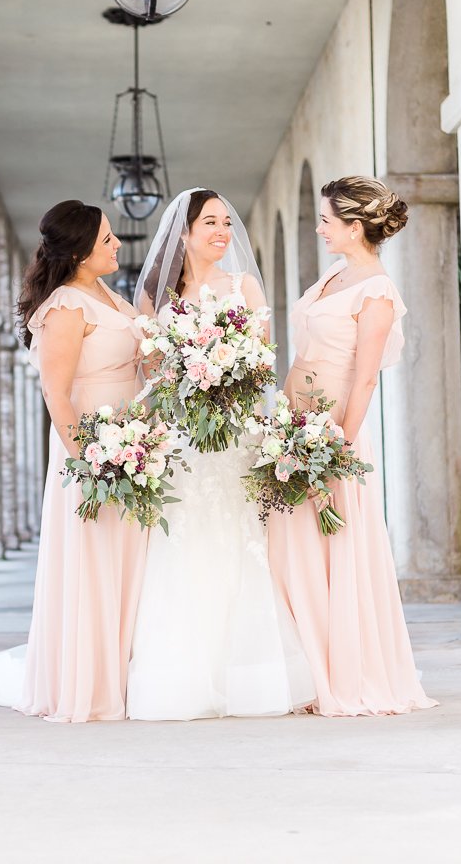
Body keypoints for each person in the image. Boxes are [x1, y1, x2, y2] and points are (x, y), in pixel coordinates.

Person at [0, 200, 148, 722]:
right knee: (94, 555)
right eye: (106, 239)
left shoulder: (110, 298)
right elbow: (56, 393)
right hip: (92, 449)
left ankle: (127, 670)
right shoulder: (66, 308)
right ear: (78, 251)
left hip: (136, 443)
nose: (118, 244)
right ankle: (88, 679)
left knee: (133, 557)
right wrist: (90, 463)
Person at [125, 188, 315, 720]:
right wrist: (187, 377)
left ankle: (250, 674)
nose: (221, 232)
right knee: (184, 539)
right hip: (183, 438)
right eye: (210, 222)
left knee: (239, 539)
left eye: (226, 223)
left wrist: (228, 383)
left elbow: (262, 363)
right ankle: (182, 674)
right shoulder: (155, 300)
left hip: (234, 435)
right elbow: (151, 371)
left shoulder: (243, 286)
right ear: (182, 232)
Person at [267, 175, 437, 716]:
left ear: (355, 226)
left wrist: (334, 443)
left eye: (326, 221)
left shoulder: (378, 291)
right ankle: (300, 666)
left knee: (327, 544)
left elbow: (365, 377)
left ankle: (337, 674)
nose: (320, 229)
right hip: (292, 418)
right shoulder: (338, 274)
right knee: (286, 544)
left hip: (331, 430)